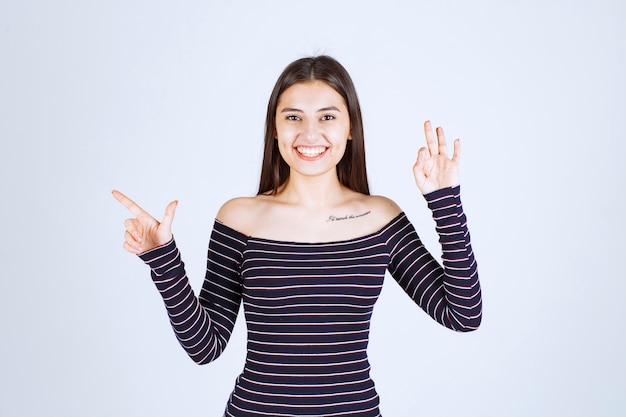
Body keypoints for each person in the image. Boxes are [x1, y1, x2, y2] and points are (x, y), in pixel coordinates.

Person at [112, 55, 482, 416]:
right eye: (293, 117)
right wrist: (163, 259)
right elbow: (205, 347)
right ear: (275, 127)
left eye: (327, 117)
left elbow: (463, 315)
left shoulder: (380, 218)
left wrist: (444, 200)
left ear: (350, 127)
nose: (309, 134)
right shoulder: (239, 217)